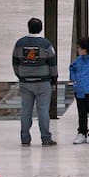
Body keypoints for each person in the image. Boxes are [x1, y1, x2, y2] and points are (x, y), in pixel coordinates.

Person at [13, 18, 58, 147]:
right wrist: (54, 78)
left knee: (26, 110)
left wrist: (20, 75)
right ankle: (45, 138)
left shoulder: (20, 43)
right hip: (43, 82)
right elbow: (52, 64)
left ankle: (25, 137)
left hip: (25, 82)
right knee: (43, 111)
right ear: (41, 28)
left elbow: (15, 62)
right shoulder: (46, 44)